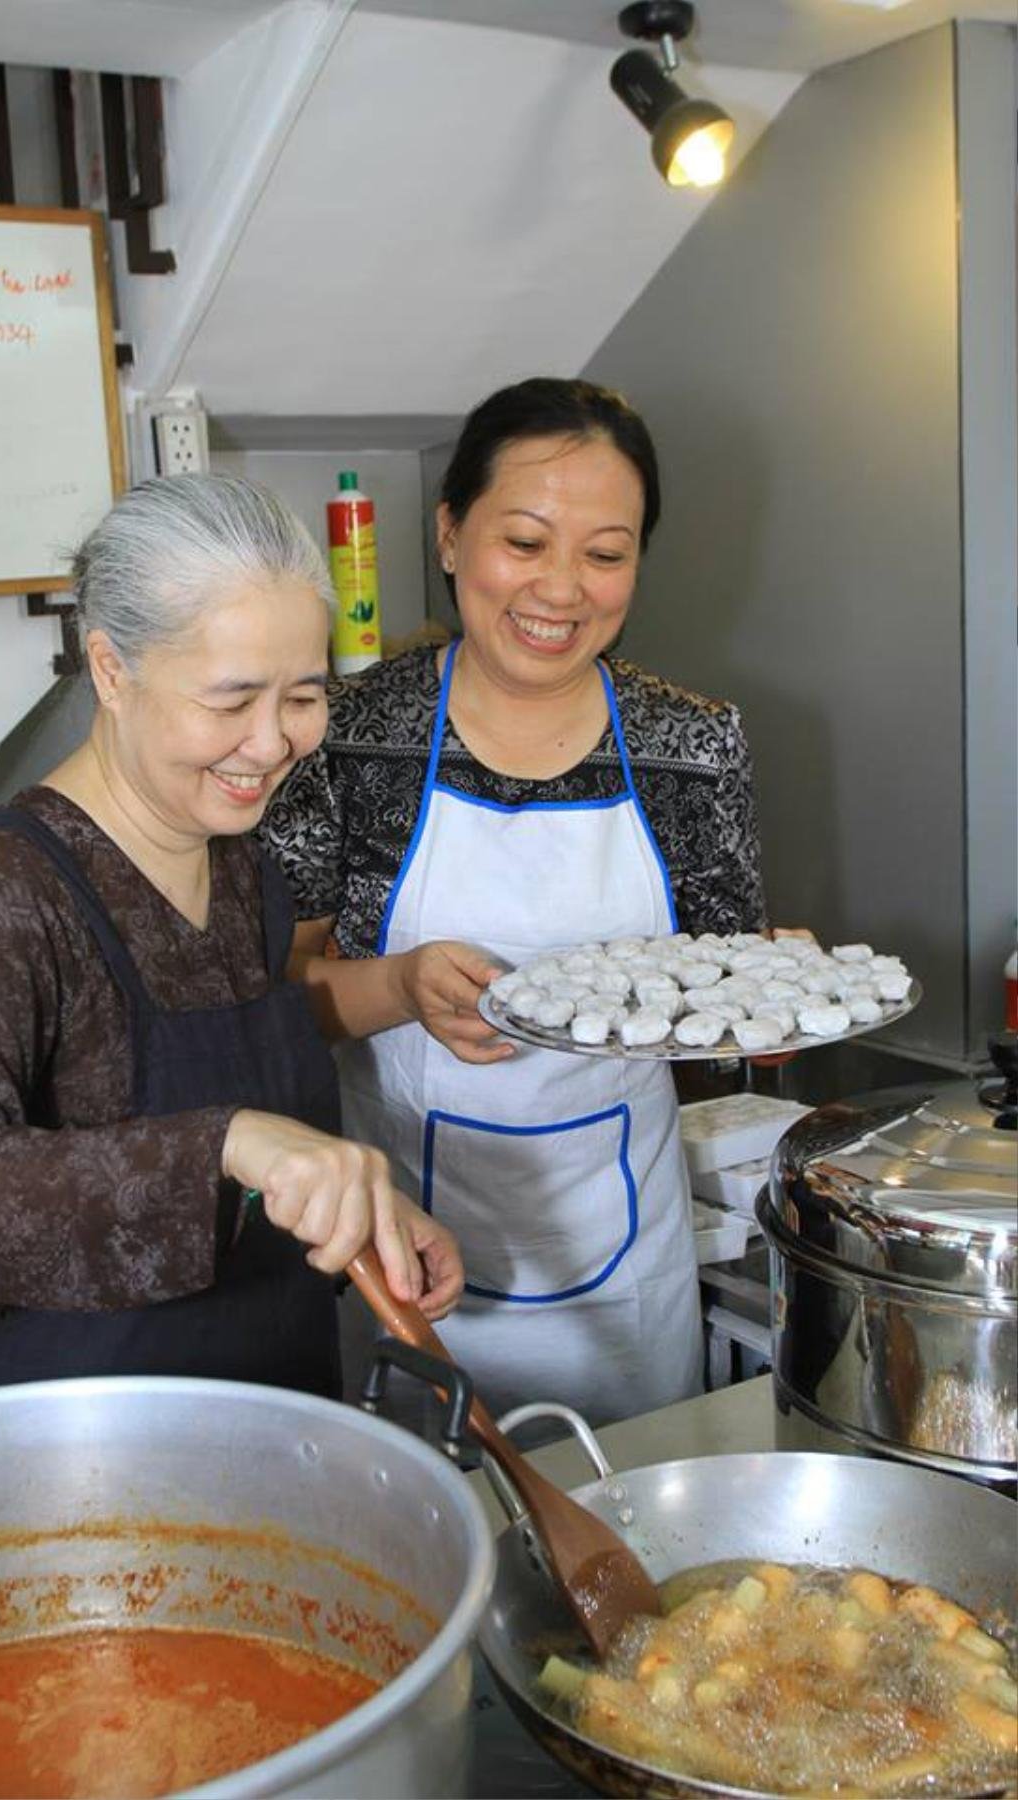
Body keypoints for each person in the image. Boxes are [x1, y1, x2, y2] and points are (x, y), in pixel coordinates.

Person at [0, 473, 462, 1401]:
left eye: (302, 697)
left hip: (272, 1407)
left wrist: (358, 1208)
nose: (270, 745)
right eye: (230, 702)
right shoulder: (6, 888)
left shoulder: (241, 869)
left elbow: (257, 1141)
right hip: (78, 1453)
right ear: (111, 670)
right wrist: (225, 1141)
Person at [260, 377, 768, 1427]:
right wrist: (399, 987)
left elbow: (728, 1026)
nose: (563, 589)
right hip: (402, 1260)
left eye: (606, 552)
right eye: (525, 542)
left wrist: (770, 986)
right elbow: (274, 1007)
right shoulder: (348, 736)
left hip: (626, 1262)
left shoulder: (692, 748)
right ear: (449, 536)